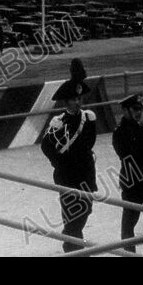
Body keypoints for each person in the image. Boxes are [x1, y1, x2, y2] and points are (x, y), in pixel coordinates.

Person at [40, 78, 97, 253]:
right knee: (71, 213)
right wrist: (58, 163)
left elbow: (89, 143)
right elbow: (46, 146)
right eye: (73, 99)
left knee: (86, 209)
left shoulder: (88, 118)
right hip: (67, 175)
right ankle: (73, 248)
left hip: (85, 172)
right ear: (67, 101)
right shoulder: (59, 121)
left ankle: (73, 243)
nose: (77, 102)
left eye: (79, 99)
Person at [112, 93, 143, 252]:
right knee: (129, 224)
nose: (138, 112)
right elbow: (127, 155)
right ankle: (129, 254)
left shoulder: (140, 128)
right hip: (132, 180)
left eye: (140, 109)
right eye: (135, 109)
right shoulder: (120, 132)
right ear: (125, 111)